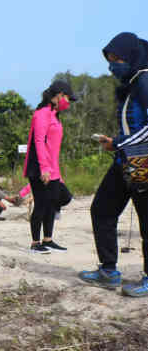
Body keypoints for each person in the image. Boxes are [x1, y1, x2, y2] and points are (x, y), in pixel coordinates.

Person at [80, 32, 148, 296]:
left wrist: (119, 143)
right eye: (109, 60)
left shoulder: (144, 80)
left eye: (117, 58)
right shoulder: (131, 84)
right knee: (102, 210)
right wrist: (117, 142)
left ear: (130, 55)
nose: (113, 65)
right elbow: (133, 125)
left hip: (143, 164)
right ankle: (108, 271)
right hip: (125, 161)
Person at [23, 80, 76, 254]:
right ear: (59, 95)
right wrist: (44, 168)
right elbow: (39, 141)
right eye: (67, 98)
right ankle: (35, 243)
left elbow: (54, 149)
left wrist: (57, 173)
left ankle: (48, 240)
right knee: (41, 204)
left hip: (52, 168)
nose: (68, 103)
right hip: (39, 167)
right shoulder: (42, 114)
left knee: (54, 203)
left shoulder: (54, 115)